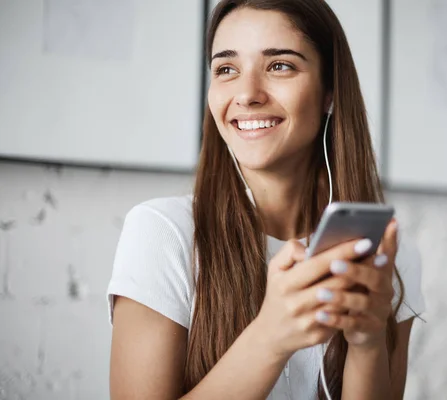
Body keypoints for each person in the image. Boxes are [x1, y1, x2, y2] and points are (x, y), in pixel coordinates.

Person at [106, 0, 425, 399]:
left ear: (330, 92)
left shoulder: (385, 257)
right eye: (226, 69)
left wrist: (367, 342)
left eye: (279, 65)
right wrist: (271, 337)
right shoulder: (163, 233)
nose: (247, 94)